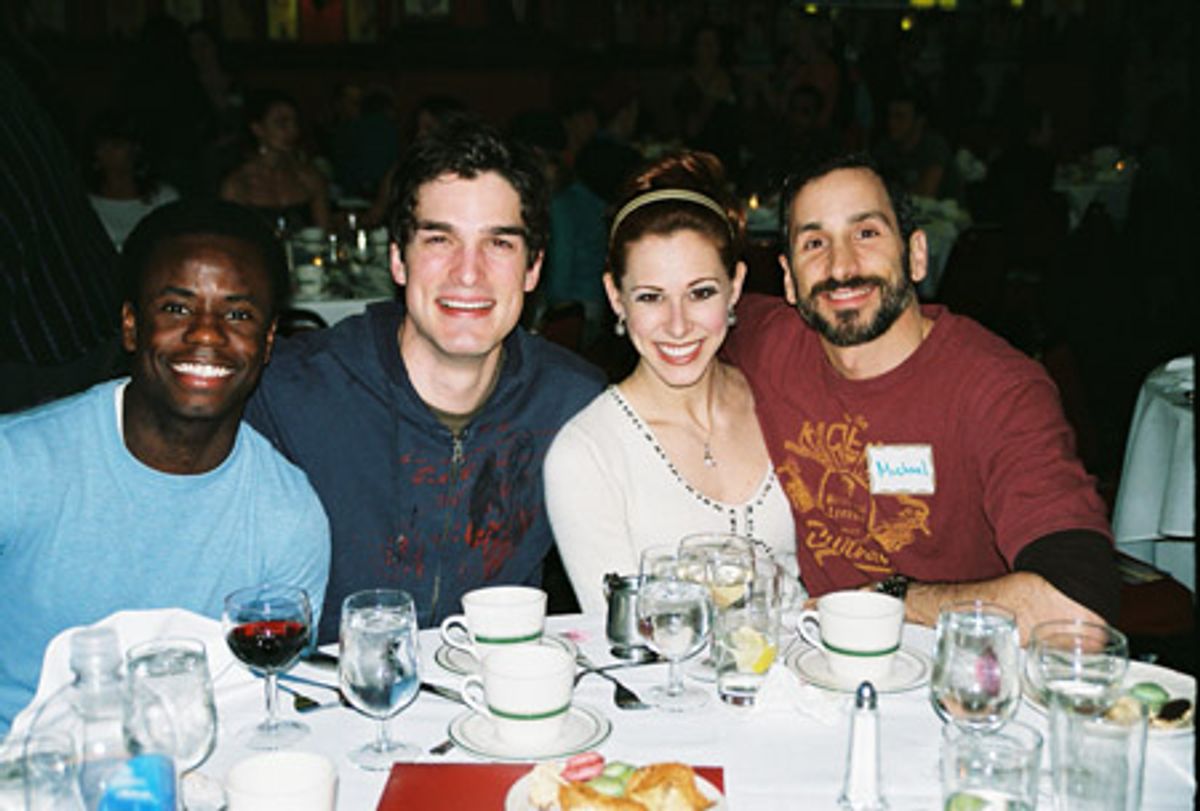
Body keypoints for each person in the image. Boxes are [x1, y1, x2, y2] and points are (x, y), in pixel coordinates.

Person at [724, 151, 1119, 640]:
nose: (841, 266)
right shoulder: (769, 343)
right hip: (812, 672)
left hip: (953, 674)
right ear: (787, 277)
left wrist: (893, 599)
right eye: (814, 243)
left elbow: (1078, 610)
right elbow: (679, 310)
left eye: (866, 234)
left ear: (915, 254)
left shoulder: (996, 391)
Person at [245, 119, 606, 641]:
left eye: (499, 244)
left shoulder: (575, 403)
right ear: (397, 259)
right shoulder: (288, 393)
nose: (468, 272)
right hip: (332, 699)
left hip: (493, 693)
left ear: (533, 269)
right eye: (440, 239)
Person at [0, 200, 331, 733]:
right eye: (177, 309)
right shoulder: (16, 467)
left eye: (239, 314)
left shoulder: (288, 516)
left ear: (268, 343)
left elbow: (272, 706)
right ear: (131, 326)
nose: (206, 334)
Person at [545, 151, 796, 615]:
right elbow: (627, 652)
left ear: (735, 287)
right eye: (650, 297)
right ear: (615, 298)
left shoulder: (782, 401)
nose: (678, 326)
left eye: (701, 293)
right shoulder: (586, 455)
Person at [220, 89, 331, 232]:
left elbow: (324, 233)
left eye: (294, 122)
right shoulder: (239, 185)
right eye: (281, 123)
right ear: (258, 129)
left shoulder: (309, 178)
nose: (292, 130)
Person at [85, 108, 181, 251]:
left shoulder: (164, 198)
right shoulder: (84, 203)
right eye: (101, 146)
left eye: (116, 145)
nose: (105, 152)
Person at [871, 87, 963, 202]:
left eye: (900, 117)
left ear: (919, 121)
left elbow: (926, 194)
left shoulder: (933, 147)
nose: (892, 122)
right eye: (890, 116)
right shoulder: (884, 149)